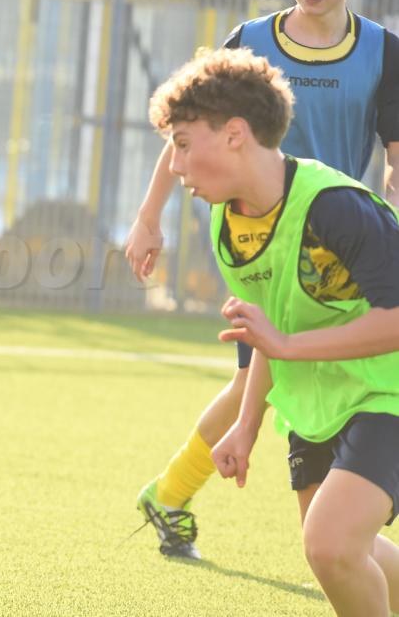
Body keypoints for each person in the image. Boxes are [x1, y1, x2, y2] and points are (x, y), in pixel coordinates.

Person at [129, 0, 399, 559]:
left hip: (341, 246)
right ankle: (172, 493)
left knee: (275, 372)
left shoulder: (384, 52)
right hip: (260, 239)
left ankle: (182, 495)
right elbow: (185, 132)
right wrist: (148, 216)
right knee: (262, 371)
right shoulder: (250, 39)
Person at [150, 45, 399, 616]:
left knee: (330, 544)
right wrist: (245, 425)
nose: (175, 166)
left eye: (183, 144)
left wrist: (287, 345)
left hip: (387, 394)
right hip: (313, 404)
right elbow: (274, 327)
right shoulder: (228, 218)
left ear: (235, 134)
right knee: (339, 549)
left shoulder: (337, 207)